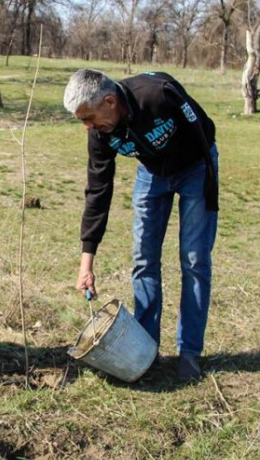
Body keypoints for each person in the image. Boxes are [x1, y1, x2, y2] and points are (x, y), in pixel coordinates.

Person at [64, 69, 218, 381]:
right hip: (152, 172)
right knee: (144, 258)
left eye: (89, 118)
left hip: (195, 166)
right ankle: (146, 348)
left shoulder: (158, 94)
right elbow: (98, 189)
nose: (88, 127)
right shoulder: (99, 133)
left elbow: (203, 134)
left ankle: (190, 352)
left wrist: (208, 194)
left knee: (193, 259)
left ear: (110, 101)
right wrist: (86, 261)